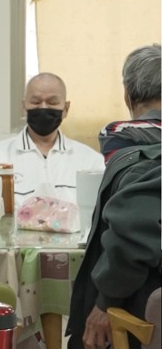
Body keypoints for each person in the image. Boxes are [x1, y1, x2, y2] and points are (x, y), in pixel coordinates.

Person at [67, 44, 162, 349]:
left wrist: (106, 301)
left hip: (142, 309)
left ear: (127, 95)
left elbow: (135, 233)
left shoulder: (136, 151)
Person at [0, 72, 104, 209]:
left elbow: (99, 211)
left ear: (66, 109)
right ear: (24, 106)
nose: (43, 107)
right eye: (36, 102)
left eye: (52, 102)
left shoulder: (90, 161)